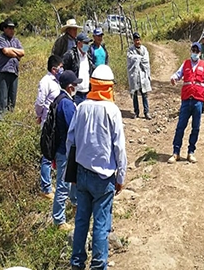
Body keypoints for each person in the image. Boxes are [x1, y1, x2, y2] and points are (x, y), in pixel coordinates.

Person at [67, 64, 127, 270]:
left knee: (81, 220)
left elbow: (71, 141)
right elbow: (119, 148)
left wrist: (72, 170)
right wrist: (121, 177)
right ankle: (98, 265)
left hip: (82, 173)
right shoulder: (112, 110)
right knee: (101, 224)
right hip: (103, 177)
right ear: (109, 87)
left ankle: (76, 263)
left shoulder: (81, 107)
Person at [168, 42, 204, 163]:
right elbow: (178, 74)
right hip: (186, 99)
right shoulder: (186, 63)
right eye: (193, 50)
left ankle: (191, 152)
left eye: (197, 51)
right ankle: (175, 152)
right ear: (191, 51)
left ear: (200, 53)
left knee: (196, 128)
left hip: (198, 100)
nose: (195, 53)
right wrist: (173, 78)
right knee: (180, 127)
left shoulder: (203, 65)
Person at [52, 70, 80, 230]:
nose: (77, 86)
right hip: (65, 151)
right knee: (63, 185)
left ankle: (75, 205)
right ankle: (59, 220)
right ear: (70, 87)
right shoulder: (67, 104)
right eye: (75, 84)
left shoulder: (59, 99)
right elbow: (73, 128)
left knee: (71, 182)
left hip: (62, 149)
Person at [35, 54, 63, 199]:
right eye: (60, 67)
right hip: (47, 123)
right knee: (47, 155)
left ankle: (51, 183)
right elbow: (40, 102)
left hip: (56, 124)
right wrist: (40, 116)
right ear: (53, 69)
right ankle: (45, 188)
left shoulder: (57, 81)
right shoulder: (45, 82)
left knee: (54, 154)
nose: (62, 70)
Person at [0, 20, 25, 120]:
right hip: (4, 71)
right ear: (4, 29)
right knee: (2, 98)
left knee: (12, 97)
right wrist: (17, 55)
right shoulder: (1, 38)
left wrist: (12, 51)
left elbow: (22, 52)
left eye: (13, 28)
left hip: (14, 72)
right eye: (9, 28)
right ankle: (1, 122)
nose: (12, 30)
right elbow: (6, 51)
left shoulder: (16, 40)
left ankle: (10, 120)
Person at [62, 32, 93, 104]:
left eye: (88, 43)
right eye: (85, 43)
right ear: (79, 43)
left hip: (87, 92)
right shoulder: (70, 55)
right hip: (76, 93)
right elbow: (65, 72)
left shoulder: (88, 55)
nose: (87, 45)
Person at [127, 32, 152, 119]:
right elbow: (130, 59)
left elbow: (146, 61)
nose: (137, 41)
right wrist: (138, 58)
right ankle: (136, 112)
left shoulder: (144, 49)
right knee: (134, 94)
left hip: (143, 75)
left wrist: (137, 58)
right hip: (135, 75)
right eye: (135, 40)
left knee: (144, 94)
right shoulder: (130, 50)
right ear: (133, 41)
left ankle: (146, 112)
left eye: (138, 39)